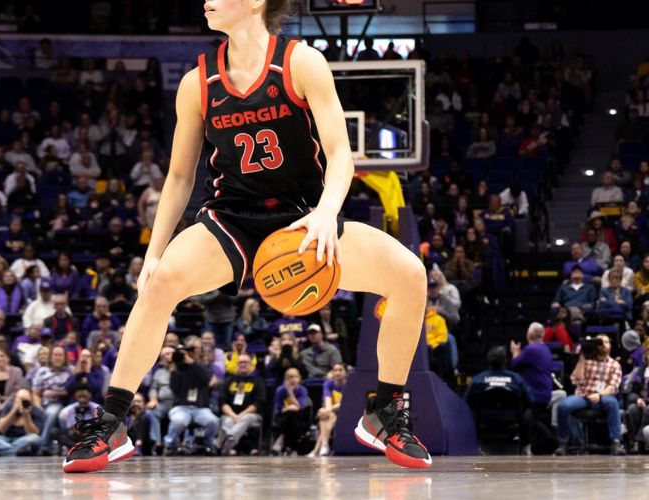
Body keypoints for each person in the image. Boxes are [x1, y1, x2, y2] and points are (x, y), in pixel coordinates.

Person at [61, 0, 430, 473]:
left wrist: (325, 213)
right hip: (232, 217)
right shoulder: (198, 82)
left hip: (302, 217)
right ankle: (111, 423)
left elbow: (341, 154)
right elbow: (178, 178)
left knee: (410, 275)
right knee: (161, 282)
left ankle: (384, 411)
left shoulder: (301, 62)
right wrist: (152, 253)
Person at [555, 334, 625, 456]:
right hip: (583, 396)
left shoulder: (614, 365)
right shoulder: (587, 361)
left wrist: (598, 394)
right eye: (600, 342)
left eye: (606, 342)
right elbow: (575, 380)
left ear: (610, 346)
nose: (603, 345)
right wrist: (581, 358)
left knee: (613, 403)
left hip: (602, 397)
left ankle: (616, 441)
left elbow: (612, 387)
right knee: (562, 406)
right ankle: (563, 442)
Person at [511, 323, 565, 454]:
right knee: (531, 417)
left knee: (528, 417)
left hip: (535, 395)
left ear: (529, 335)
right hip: (544, 392)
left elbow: (515, 364)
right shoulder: (545, 348)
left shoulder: (532, 349)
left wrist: (515, 352)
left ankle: (553, 442)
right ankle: (548, 443)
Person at [217, 352, 265, 454]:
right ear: (237, 365)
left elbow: (259, 403)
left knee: (245, 418)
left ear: (251, 365)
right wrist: (233, 415)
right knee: (228, 421)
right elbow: (222, 401)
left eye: (245, 362)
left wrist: (241, 415)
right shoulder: (229, 380)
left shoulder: (257, 381)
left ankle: (227, 439)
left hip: (251, 415)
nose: (243, 364)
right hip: (230, 414)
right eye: (240, 362)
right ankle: (229, 446)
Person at [0, 388, 44, 456]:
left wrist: (26, 415)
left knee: (35, 438)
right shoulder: (9, 406)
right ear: (15, 399)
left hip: (24, 440)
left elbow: (34, 433)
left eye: (25, 400)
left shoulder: (36, 410)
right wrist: (14, 410)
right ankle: (15, 452)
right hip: (6, 439)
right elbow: (1, 429)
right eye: (20, 399)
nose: (22, 403)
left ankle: (6, 451)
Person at [309, 362, 347, 458]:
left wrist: (325, 410)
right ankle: (324, 446)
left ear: (345, 372)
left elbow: (343, 404)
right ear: (332, 372)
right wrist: (327, 410)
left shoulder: (349, 384)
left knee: (324, 415)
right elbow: (327, 400)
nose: (337, 372)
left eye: (340, 370)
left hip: (345, 413)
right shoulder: (328, 383)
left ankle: (316, 450)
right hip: (332, 414)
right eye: (335, 370)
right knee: (327, 417)